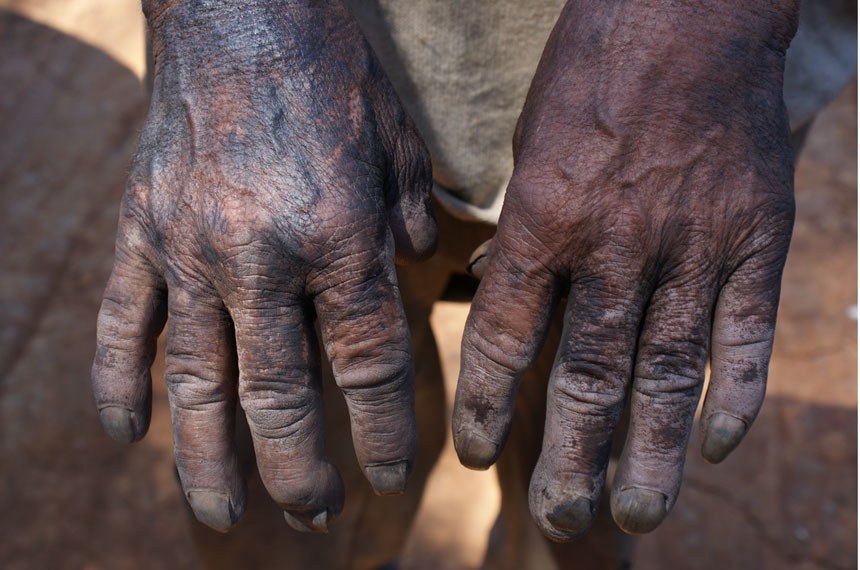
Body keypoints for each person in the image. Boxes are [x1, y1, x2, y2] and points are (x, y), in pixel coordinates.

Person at [91, 0, 856, 568]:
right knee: (284, 478)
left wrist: (703, 27)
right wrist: (236, 31)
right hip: (294, 58)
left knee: (579, 483)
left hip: (692, 89)